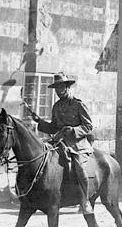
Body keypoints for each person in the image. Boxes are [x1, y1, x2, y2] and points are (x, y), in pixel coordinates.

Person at [30, 73, 94, 214]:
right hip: (59, 141)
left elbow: (88, 126)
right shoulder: (56, 106)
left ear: (67, 87)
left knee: (78, 166)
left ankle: (85, 200)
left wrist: (73, 130)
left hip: (78, 144)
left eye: (61, 88)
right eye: (57, 89)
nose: (59, 91)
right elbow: (53, 128)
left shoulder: (78, 104)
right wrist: (39, 121)